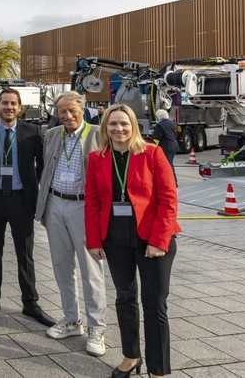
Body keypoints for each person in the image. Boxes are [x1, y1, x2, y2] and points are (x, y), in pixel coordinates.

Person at [85, 104, 180, 378]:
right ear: (105, 128)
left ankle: (158, 368)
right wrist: (94, 240)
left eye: (124, 124)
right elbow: (92, 201)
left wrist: (160, 240)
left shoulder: (152, 152)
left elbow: (168, 199)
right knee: (125, 299)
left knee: (154, 304)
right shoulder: (97, 158)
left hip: (152, 238)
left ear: (133, 126)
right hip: (115, 237)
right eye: (113, 124)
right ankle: (131, 356)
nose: (119, 129)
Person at [34, 92, 107, 356]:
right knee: (61, 266)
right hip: (55, 204)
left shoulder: (98, 134)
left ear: (82, 109)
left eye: (71, 110)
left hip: (83, 206)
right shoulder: (52, 135)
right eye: (62, 111)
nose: (67, 116)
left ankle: (97, 328)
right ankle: (71, 319)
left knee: (91, 270)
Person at [0, 89, 55, 327]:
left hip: (22, 200)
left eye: (13, 104)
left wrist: (41, 196)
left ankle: (30, 302)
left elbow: (43, 166)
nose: (9, 107)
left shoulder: (33, 133)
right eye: (4, 103)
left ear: (20, 108)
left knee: (25, 253)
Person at [152, 109, 178, 179]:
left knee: (167, 164)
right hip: (174, 145)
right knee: (170, 163)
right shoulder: (172, 123)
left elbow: (156, 139)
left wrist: (152, 149)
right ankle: (173, 181)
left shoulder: (159, 125)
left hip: (166, 147)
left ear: (158, 117)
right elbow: (175, 134)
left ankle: (172, 181)